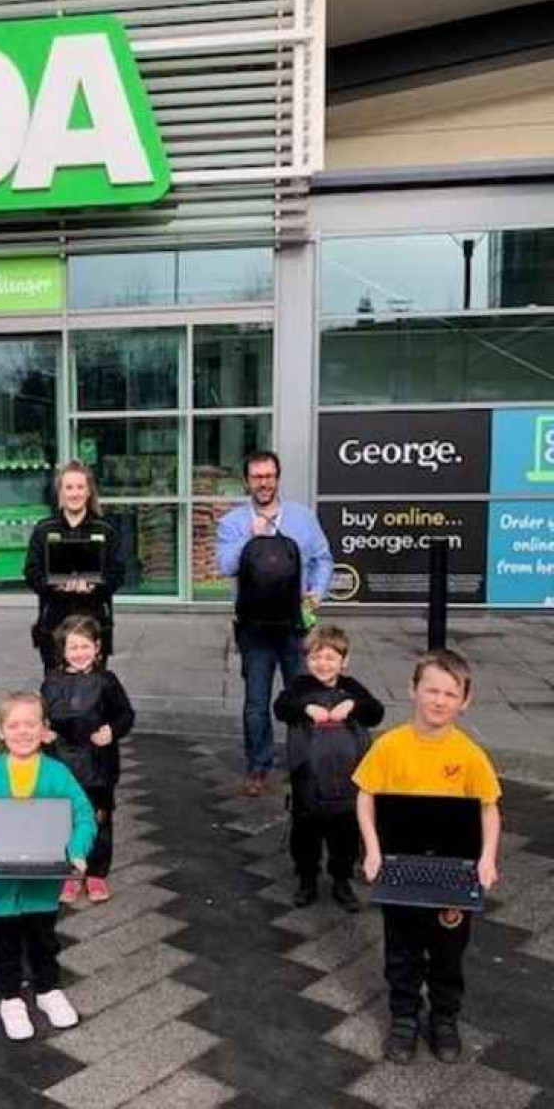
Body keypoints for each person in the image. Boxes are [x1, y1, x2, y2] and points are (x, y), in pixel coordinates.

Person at [354, 649, 501, 1066]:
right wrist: (373, 849)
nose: (439, 701)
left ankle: (443, 1018)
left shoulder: (470, 755)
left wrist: (487, 858)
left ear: (464, 701)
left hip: (454, 871)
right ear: (413, 690)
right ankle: (403, 1017)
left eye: (450, 694)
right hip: (400, 864)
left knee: (448, 952)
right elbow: (365, 795)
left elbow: (489, 808)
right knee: (401, 949)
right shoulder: (389, 747)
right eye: (431, 690)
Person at [0, 691, 96, 1042]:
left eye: (31, 724)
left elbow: (84, 816)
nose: (22, 732)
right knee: (6, 944)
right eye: (13, 725)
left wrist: (76, 850)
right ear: (0, 731)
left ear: (44, 729)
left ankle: (47, 990)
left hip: (43, 883)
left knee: (44, 940)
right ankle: (10, 997)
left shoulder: (57, 774)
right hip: (0, 884)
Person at [215, 450, 333, 796]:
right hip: (254, 626)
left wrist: (317, 591)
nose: (263, 483)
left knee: (302, 695)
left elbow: (324, 559)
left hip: (295, 624)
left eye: (269, 476)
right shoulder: (233, 523)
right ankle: (258, 765)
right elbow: (224, 566)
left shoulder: (303, 518)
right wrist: (249, 538)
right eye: (257, 477)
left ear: (277, 478)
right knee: (256, 701)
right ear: (247, 482)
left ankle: (304, 762)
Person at [274, 623, 383, 911]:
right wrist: (306, 708)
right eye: (316, 658)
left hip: (346, 778)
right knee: (306, 830)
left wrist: (353, 706)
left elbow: (376, 712)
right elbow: (281, 707)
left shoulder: (352, 688)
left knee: (345, 832)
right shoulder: (299, 687)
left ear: (343, 662)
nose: (322, 664)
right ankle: (307, 878)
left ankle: (341, 879)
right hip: (308, 775)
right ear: (307, 659)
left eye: (330, 658)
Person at [40, 615, 134, 904]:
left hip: (98, 763)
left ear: (97, 647)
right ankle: (70, 871)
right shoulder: (52, 682)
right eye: (73, 648)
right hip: (61, 760)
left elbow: (126, 715)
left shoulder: (106, 681)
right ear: (62, 651)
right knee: (63, 819)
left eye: (85, 646)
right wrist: (42, 731)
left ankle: (96, 872)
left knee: (98, 819)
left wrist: (112, 730)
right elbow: (41, 715)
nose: (79, 654)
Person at [24, 459, 125, 673]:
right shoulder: (44, 530)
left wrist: (95, 586)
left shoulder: (106, 530)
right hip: (54, 621)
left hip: (94, 619)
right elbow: (31, 573)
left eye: (80, 487)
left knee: (93, 689)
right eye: (69, 487)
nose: (75, 493)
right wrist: (54, 585)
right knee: (56, 688)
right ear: (60, 492)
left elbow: (117, 574)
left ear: (89, 492)